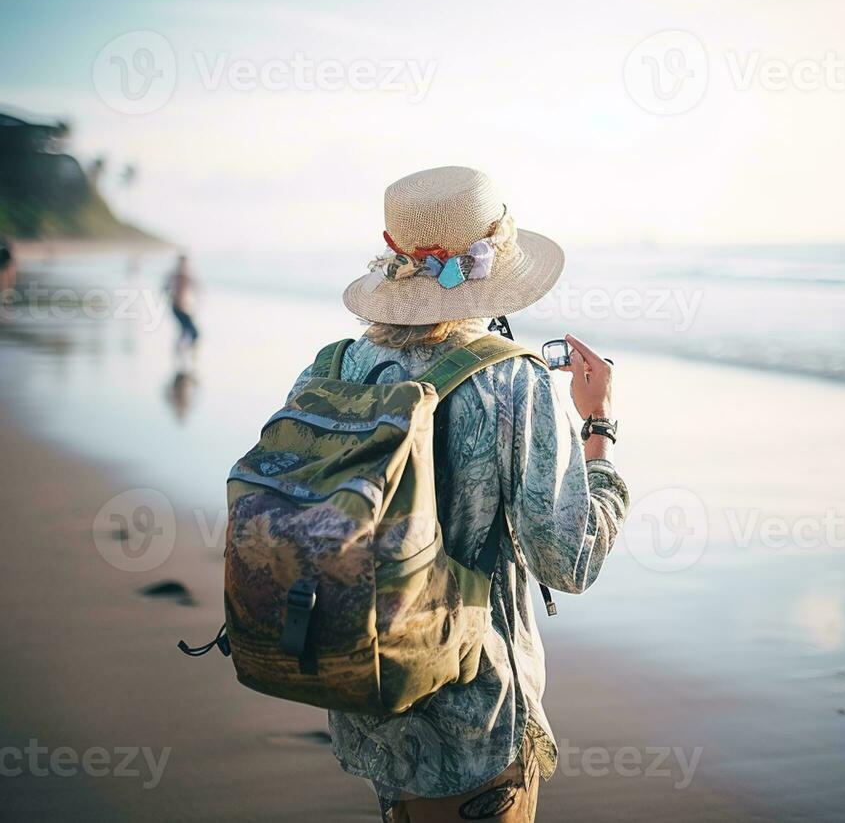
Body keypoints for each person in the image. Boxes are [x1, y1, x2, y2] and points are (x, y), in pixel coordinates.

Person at [285, 166, 629, 822]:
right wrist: (599, 432)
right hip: (477, 722)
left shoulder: (334, 369)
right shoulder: (511, 382)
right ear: (496, 265)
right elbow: (571, 560)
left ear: (393, 246)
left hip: (367, 701)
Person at [164, 253, 200, 355]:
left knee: (187, 331)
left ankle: (183, 352)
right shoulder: (175, 275)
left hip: (185, 307)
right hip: (177, 307)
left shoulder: (187, 274)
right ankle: (183, 352)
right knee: (190, 332)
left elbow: (196, 289)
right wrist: (173, 298)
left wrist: (195, 304)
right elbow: (166, 289)